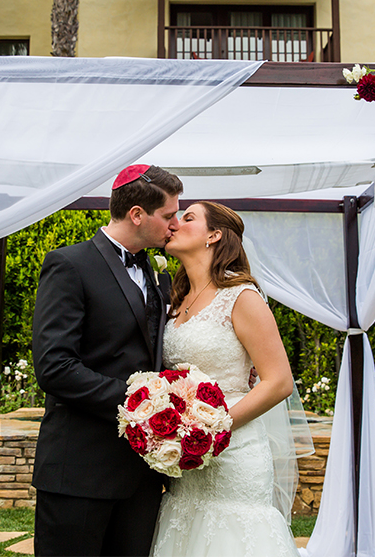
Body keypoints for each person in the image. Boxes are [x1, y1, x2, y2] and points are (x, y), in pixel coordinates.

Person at [31, 164, 183, 557]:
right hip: (79, 470)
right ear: (137, 214)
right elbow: (54, 366)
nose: (174, 225)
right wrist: (139, 404)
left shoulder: (157, 271)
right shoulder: (68, 265)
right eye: (168, 216)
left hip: (141, 475)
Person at [151, 200, 300, 557]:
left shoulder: (242, 296)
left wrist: (214, 430)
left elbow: (279, 381)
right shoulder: (176, 299)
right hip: (186, 456)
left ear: (214, 235)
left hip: (236, 451)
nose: (174, 224)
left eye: (188, 218)